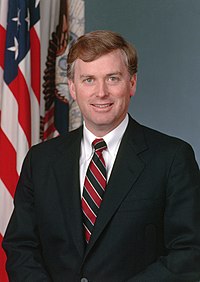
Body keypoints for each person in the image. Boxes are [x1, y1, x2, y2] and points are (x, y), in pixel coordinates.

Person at [2, 30, 200, 282]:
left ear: (132, 83)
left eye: (113, 78)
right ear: (73, 88)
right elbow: (21, 247)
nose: (101, 92)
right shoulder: (41, 160)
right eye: (88, 80)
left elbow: (189, 253)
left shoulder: (172, 158)